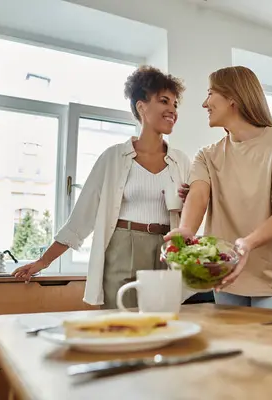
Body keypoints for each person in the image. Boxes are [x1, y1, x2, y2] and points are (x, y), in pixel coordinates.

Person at [13, 66, 191, 309]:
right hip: (122, 245)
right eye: (164, 101)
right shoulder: (113, 158)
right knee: (121, 326)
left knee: (163, 324)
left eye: (175, 104)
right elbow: (81, 217)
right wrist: (43, 262)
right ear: (141, 106)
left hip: (167, 247)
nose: (172, 109)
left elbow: (193, 215)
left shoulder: (181, 161)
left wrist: (189, 201)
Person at [167, 66, 272, 311]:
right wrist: (186, 230)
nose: (205, 103)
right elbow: (198, 195)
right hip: (228, 282)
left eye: (210, 93)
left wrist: (245, 244)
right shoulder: (207, 155)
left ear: (233, 98)